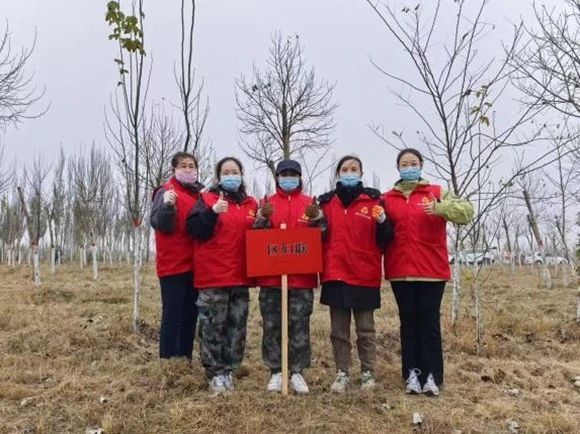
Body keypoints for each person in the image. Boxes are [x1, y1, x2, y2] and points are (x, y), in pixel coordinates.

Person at [383, 148, 473, 396]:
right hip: (401, 271)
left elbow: (466, 212)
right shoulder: (387, 198)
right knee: (408, 324)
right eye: (404, 164)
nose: (409, 167)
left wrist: (441, 208)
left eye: (413, 163)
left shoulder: (436, 192)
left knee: (429, 323)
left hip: (431, 271)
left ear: (421, 165)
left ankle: (432, 375)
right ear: (398, 168)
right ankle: (412, 374)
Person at [318, 155, 393, 392]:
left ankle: (368, 373)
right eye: (345, 169)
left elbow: (387, 239)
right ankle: (342, 372)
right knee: (338, 331)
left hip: (364, 273)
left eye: (354, 169)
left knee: (366, 329)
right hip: (335, 273)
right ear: (338, 174)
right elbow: (318, 236)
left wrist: (383, 222)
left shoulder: (374, 200)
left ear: (361, 173)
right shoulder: (326, 203)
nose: (349, 173)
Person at [253, 159, 326, 395]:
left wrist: (318, 220)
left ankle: (297, 372)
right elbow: (256, 237)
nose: (288, 178)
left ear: (299, 177)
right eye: (284, 174)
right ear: (277, 177)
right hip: (271, 279)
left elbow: (322, 236)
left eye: (293, 174)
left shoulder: (309, 204)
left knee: (299, 326)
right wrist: (262, 218)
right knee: (272, 326)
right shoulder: (267, 203)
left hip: (301, 280)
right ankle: (276, 371)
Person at [186, 157, 257, 394]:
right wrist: (212, 213)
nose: (231, 176)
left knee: (236, 329)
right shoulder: (206, 199)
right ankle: (214, 373)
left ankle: (229, 370)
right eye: (226, 172)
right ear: (218, 176)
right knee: (212, 327)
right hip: (214, 278)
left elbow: (260, 236)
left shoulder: (251, 204)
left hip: (241, 278)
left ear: (241, 174)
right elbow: (195, 230)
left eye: (234, 172)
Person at [150, 151, 203, 360]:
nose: (188, 169)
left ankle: (184, 357)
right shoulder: (165, 192)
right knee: (173, 314)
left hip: (195, 265)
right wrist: (168, 207)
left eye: (191, 166)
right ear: (174, 169)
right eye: (183, 166)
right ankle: (167, 359)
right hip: (172, 265)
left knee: (190, 314)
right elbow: (159, 223)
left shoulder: (198, 195)